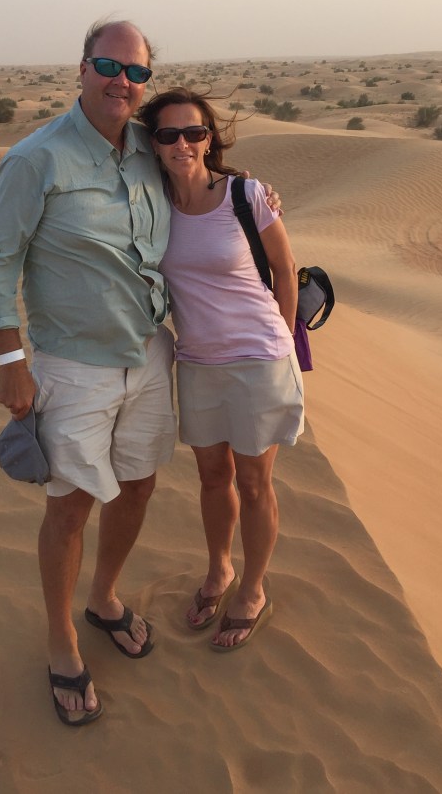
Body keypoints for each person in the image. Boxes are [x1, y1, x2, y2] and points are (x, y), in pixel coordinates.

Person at [0, 20, 279, 725]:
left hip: (150, 351)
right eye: (108, 65)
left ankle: (104, 596)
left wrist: (257, 202)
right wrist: (10, 361)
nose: (122, 80)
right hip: (71, 362)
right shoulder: (36, 158)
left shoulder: (147, 146)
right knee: (71, 503)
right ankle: (59, 640)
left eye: (135, 71)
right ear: (81, 68)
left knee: (138, 485)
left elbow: (197, 167)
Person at [137, 87, 304, 651]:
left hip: (258, 359)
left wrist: (278, 337)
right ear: (153, 143)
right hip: (198, 363)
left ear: (210, 137)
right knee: (212, 478)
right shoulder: (151, 202)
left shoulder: (246, 194)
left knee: (256, 481)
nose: (183, 143)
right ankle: (219, 571)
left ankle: (252, 588)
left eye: (194, 132)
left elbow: (284, 269)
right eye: (168, 134)